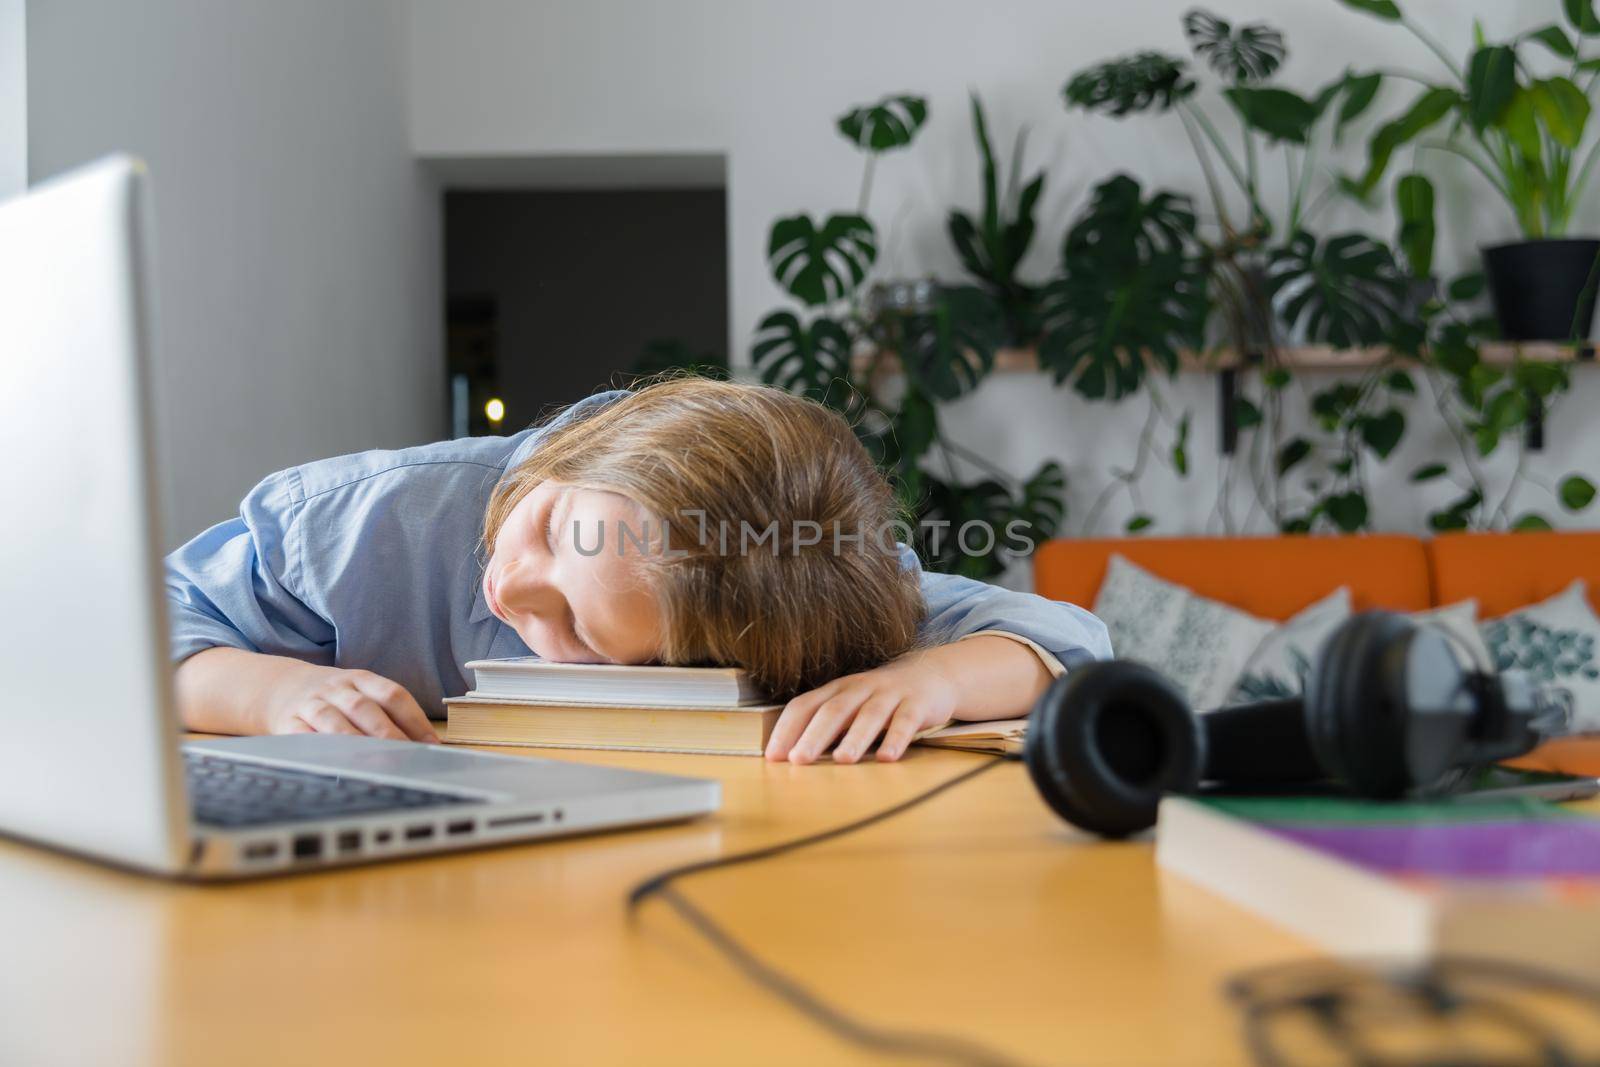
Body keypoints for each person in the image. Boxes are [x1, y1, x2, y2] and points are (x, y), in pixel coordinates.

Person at [166, 377, 1109, 763]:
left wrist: (934, 675)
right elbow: (136, 621)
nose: (508, 585)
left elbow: (1074, 637)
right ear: (582, 455)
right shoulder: (364, 522)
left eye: (579, 631)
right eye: (548, 525)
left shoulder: (810, 580)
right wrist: (270, 693)